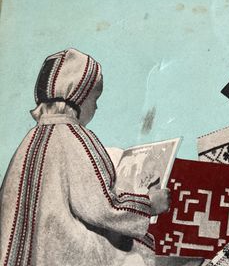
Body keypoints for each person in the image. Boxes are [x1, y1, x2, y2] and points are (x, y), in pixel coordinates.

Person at [0, 48, 171, 265]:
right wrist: (149, 204)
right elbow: (102, 208)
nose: (97, 106)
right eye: (95, 98)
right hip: (61, 255)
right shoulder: (75, 137)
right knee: (135, 251)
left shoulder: (31, 139)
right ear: (78, 95)